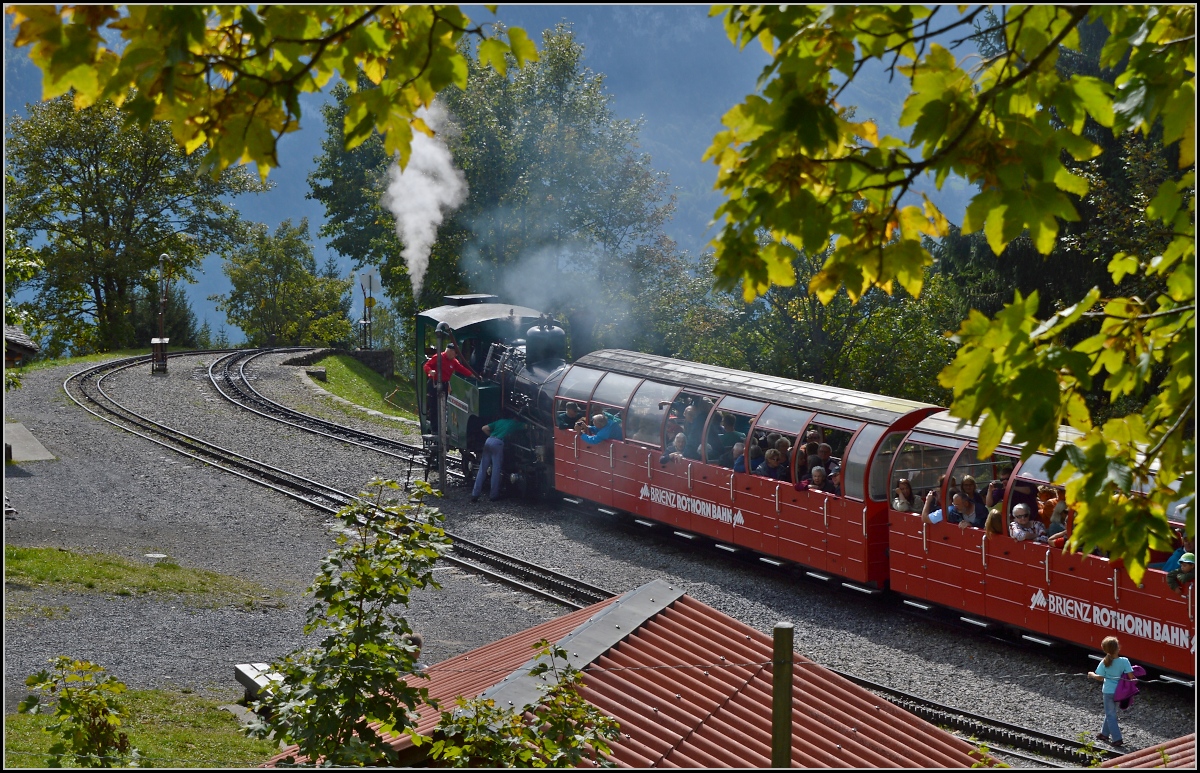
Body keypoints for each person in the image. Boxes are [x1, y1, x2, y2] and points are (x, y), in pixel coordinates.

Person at [1089, 636, 1133, 747]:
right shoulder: (1124, 661)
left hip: (1108, 691)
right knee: (1110, 713)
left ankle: (1117, 738)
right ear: (1118, 648)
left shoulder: (1104, 662)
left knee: (1110, 714)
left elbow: (1100, 677)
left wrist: (1091, 674)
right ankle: (1104, 734)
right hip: (1120, 692)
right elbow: (1131, 676)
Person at [422, 342, 475, 432]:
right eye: (455, 353)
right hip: (434, 383)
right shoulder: (438, 357)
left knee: (443, 405)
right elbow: (426, 365)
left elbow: (461, 369)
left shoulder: (454, 361)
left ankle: (443, 426)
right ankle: (435, 429)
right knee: (434, 406)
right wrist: (430, 371)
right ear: (450, 351)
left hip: (444, 384)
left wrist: (473, 375)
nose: (456, 355)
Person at [471, 418, 526, 502]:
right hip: (498, 443)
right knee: (496, 470)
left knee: (482, 469)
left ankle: (475, 494)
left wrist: (491, 436)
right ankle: (493, 495)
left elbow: (484, 428)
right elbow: (526, 426)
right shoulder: (513, 423)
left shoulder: (499, 422)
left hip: (489, 440)